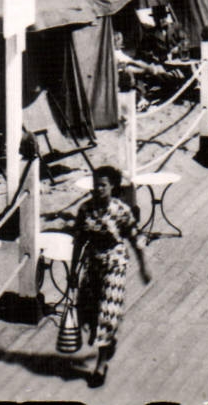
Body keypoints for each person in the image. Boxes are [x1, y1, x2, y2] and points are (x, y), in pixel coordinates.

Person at [72, 165, 150, 388]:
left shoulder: (120, 210)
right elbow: (78, 240)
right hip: (93, 264)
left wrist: (144, 266)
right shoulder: (85, 210)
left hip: (115, 264)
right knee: (89, 314)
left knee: (108, 312)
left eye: (103, 185)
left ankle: (101, 365)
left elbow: (136, 238)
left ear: (112, 187)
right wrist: (72, 272)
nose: (98, 189)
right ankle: (109, 340)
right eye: (95, 185)